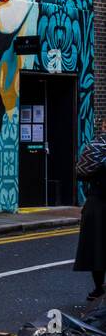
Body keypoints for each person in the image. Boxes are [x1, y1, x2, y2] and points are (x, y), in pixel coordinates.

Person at [73, 116, 106, 300]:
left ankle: (98, 288)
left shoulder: (95, 147)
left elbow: (81, 172)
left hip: (98, 203)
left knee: (96, 248)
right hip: (98, 202)